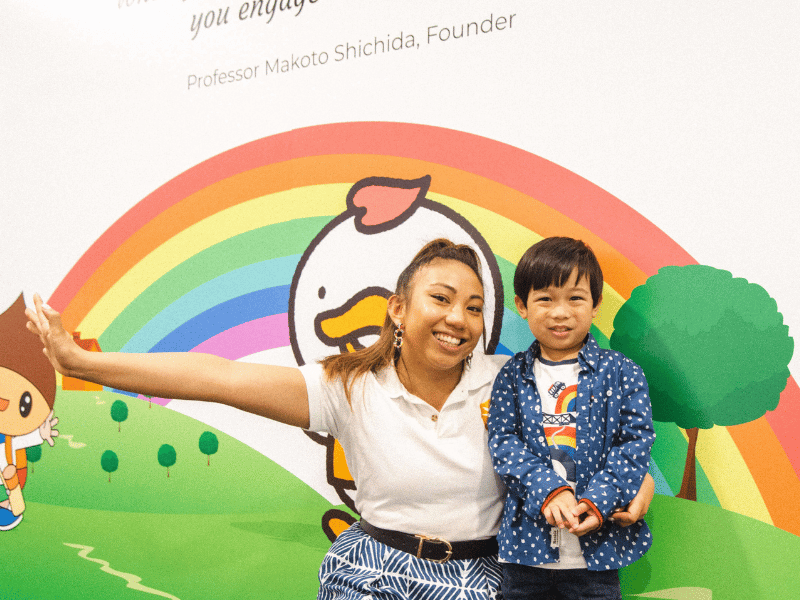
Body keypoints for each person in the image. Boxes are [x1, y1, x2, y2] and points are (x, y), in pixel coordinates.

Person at [27, 238, 653, 599]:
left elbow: (592, 449)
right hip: (372, 573)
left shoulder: (509, 379)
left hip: (488, 579)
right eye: (440, 299)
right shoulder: (347, 386)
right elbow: (217, 378)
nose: (457, 319)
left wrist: (640, 485)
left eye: (473, 307)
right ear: (398, 310)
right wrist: (81, 362)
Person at [487, 237, 656, 600]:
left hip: (597, 559)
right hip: (525, 558)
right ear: (522, 305)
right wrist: (549, 490)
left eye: (575, 298)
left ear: (595, 305)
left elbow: (635, 443)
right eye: (545, 299)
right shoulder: (511, 377)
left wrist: (600, 501)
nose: (560, 312)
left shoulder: (622, 372)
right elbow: (503, 443)